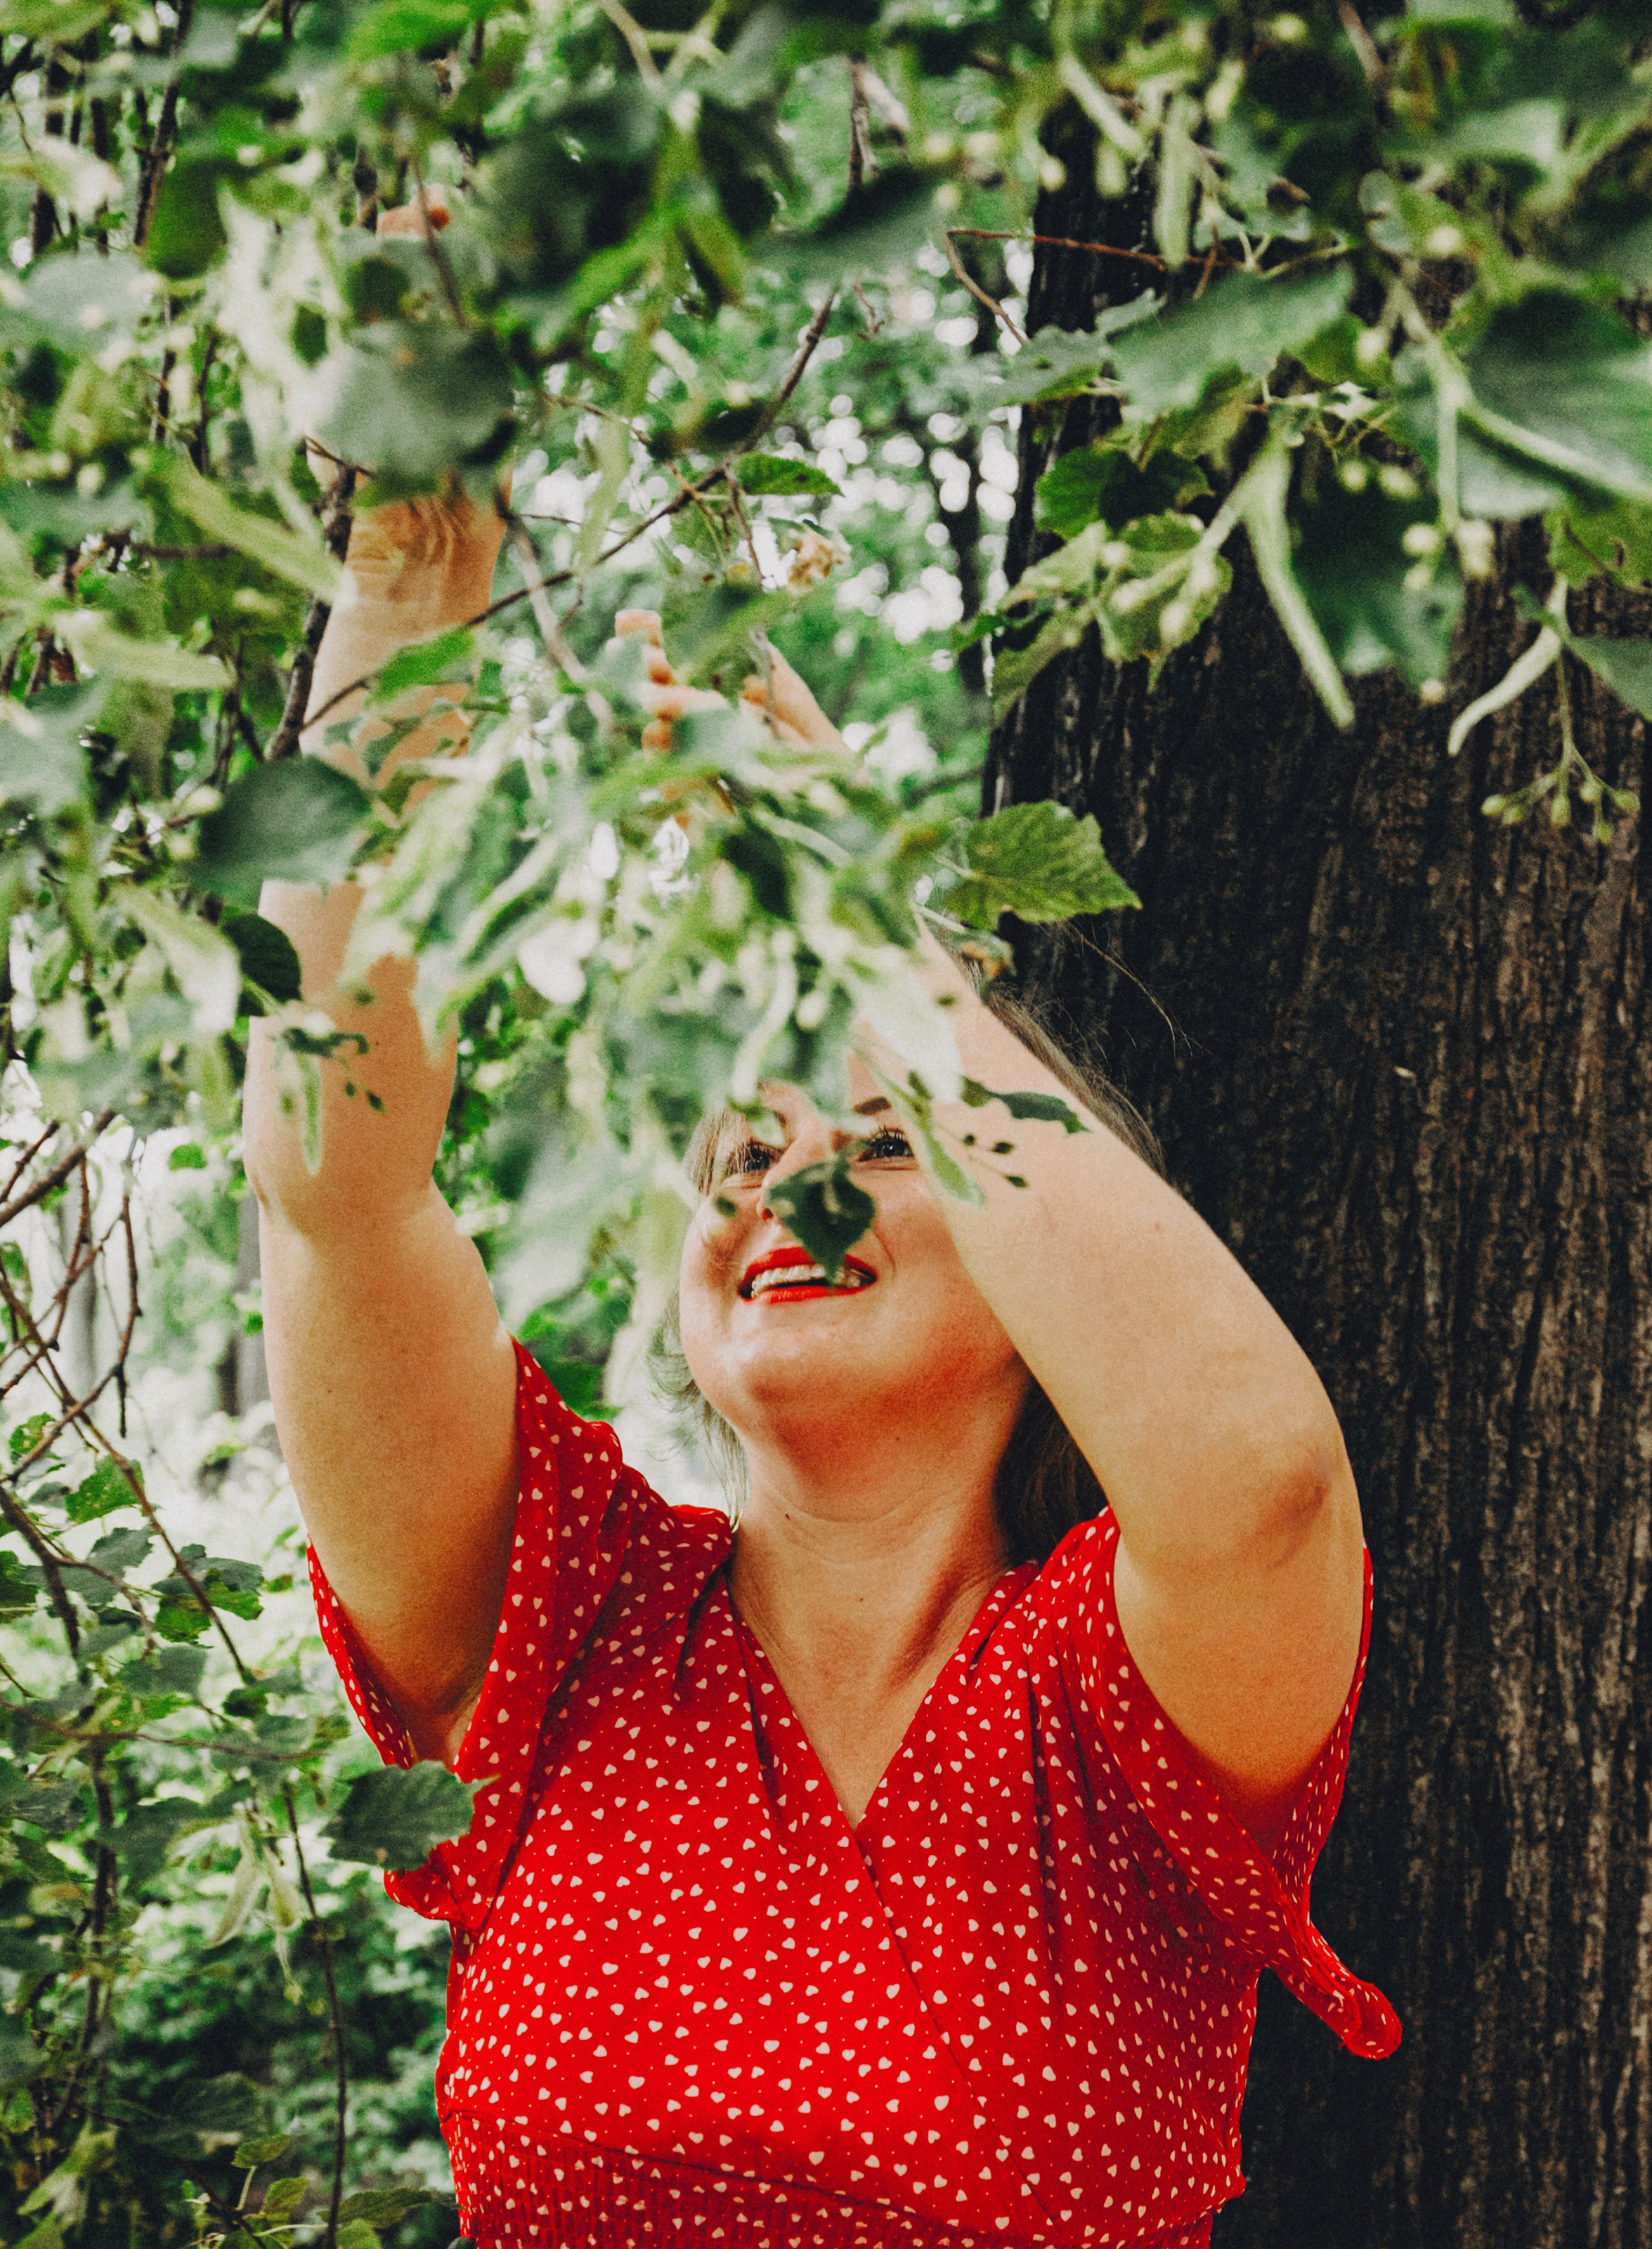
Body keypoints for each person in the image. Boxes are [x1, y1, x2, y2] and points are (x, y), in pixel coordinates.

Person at [246, 203, 1398, 2249]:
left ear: (1038, 1266)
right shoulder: (569, 1629)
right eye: (738, 1154)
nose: (782, 1185)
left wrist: (856, 897)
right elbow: (338, 1184)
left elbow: (1264, 1486)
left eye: (878, 1141)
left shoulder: (1114, 1716)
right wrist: (409, 574)